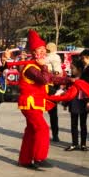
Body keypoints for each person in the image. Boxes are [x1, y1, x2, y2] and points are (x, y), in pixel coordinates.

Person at [17, 30, 73, 169]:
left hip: (36, 103)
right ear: (33, 52)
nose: (43, 52)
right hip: (30, 103)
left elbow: (51, 78)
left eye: (44, 50)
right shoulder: (31, 68)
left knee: (31, 131)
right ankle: (39, 157)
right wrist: (44, 66)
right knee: (42, 128)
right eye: (39, 50)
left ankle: (25, 159)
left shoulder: (37, 66)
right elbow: (44, 79)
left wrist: (69, 80)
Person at [65, 61, 89, 151]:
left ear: (79, 69)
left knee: (83, 124)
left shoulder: (85, 78)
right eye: (71, 68)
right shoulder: (70, 79)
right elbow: (67, 92)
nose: (71, 70)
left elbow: (88, 91)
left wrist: (88, 102)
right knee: (74, 124)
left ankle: (83, 144)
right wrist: (65, 103)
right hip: (73, 103)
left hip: (83, 102)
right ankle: (75, 143)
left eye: (72, 68)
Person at [46, 42, 63, 142]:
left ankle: (55, 134)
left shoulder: (53, 57)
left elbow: (57, 72)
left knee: (50, 111)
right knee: (53, 112)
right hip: (50, 86)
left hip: (48, 86)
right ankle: (55, 134)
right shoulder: (54, 57)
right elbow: (58, 73)